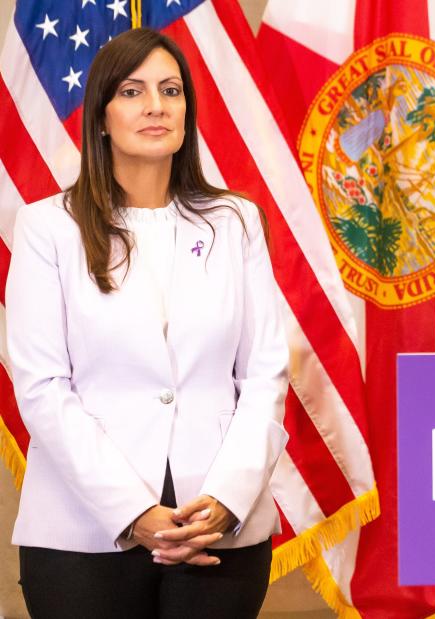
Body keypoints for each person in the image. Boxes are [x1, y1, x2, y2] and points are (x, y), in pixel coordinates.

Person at [5, 28, 289, 619]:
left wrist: (227, 498)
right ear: (101, 118)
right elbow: (42, 387)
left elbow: (265, 373)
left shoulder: (236, 222)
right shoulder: (46, 229)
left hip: (218, 525)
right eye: (133, 91)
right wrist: (134, 513)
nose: (156, 105)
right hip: (83, 533)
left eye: (170, 90)